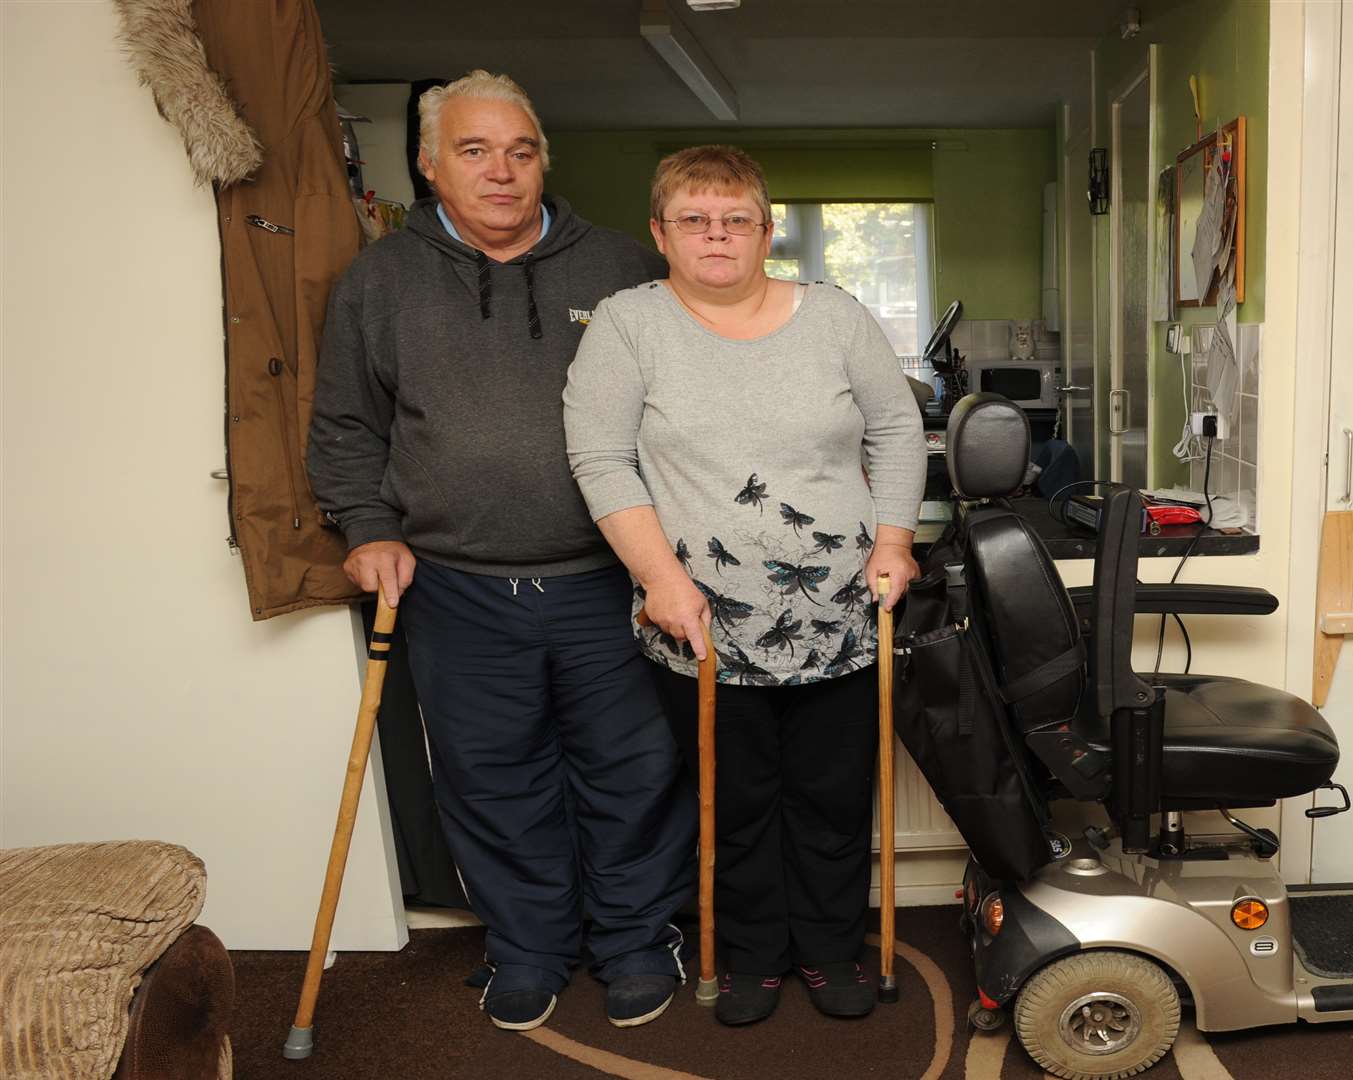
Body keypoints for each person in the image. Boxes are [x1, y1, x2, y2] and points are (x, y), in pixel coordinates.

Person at [308, 70, 688, 1033]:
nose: (502, 172)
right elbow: (347, 424)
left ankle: (637, 940)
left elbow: (685, 414)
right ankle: (527, 947)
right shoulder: (378, 280)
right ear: (431, 167)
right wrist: (370, 527)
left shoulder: (623, 269)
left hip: (608, 581)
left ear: (542, 162)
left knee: (633, 770)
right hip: (458, 588)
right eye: (474, 152)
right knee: (491, 778)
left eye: (521, 151)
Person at [564, 145, 925, 1026]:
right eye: (693, 219)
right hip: (696, 622)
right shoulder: (627, 323)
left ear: (766, 230)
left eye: (735, 219)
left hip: (841, 613)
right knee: (738, 800)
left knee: (832, 797)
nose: (715, 235)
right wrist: (659, 580)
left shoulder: (837, 318)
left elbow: (897, 428)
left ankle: (831, 948)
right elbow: (599, 456)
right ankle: (757, 953)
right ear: (660, 232)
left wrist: (895, 541)